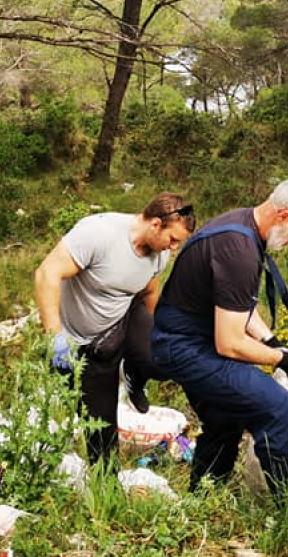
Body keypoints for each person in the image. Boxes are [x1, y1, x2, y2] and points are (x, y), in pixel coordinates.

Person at [150, 176, 288, 494]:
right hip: (183, 345)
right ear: (285, 216)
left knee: (226, 416)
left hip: (188, 339)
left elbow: (238, 306)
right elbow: (230, 342)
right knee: (276, 408)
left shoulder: (243, 227)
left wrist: (271, 342)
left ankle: (204, 496)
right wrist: (283, 359)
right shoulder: (239, 249)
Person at [33, 192, 195, 464]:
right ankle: (105, 483)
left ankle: (133, 372)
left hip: (123, 319)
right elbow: (46, 273)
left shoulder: (159, 253)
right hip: (80, 340)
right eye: (173, 239)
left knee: (162, 356)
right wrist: (54, 337)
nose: (173, 248)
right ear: (156, 224)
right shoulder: (99, 233)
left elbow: (149, 290)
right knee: (100, 429)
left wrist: (156, 338)